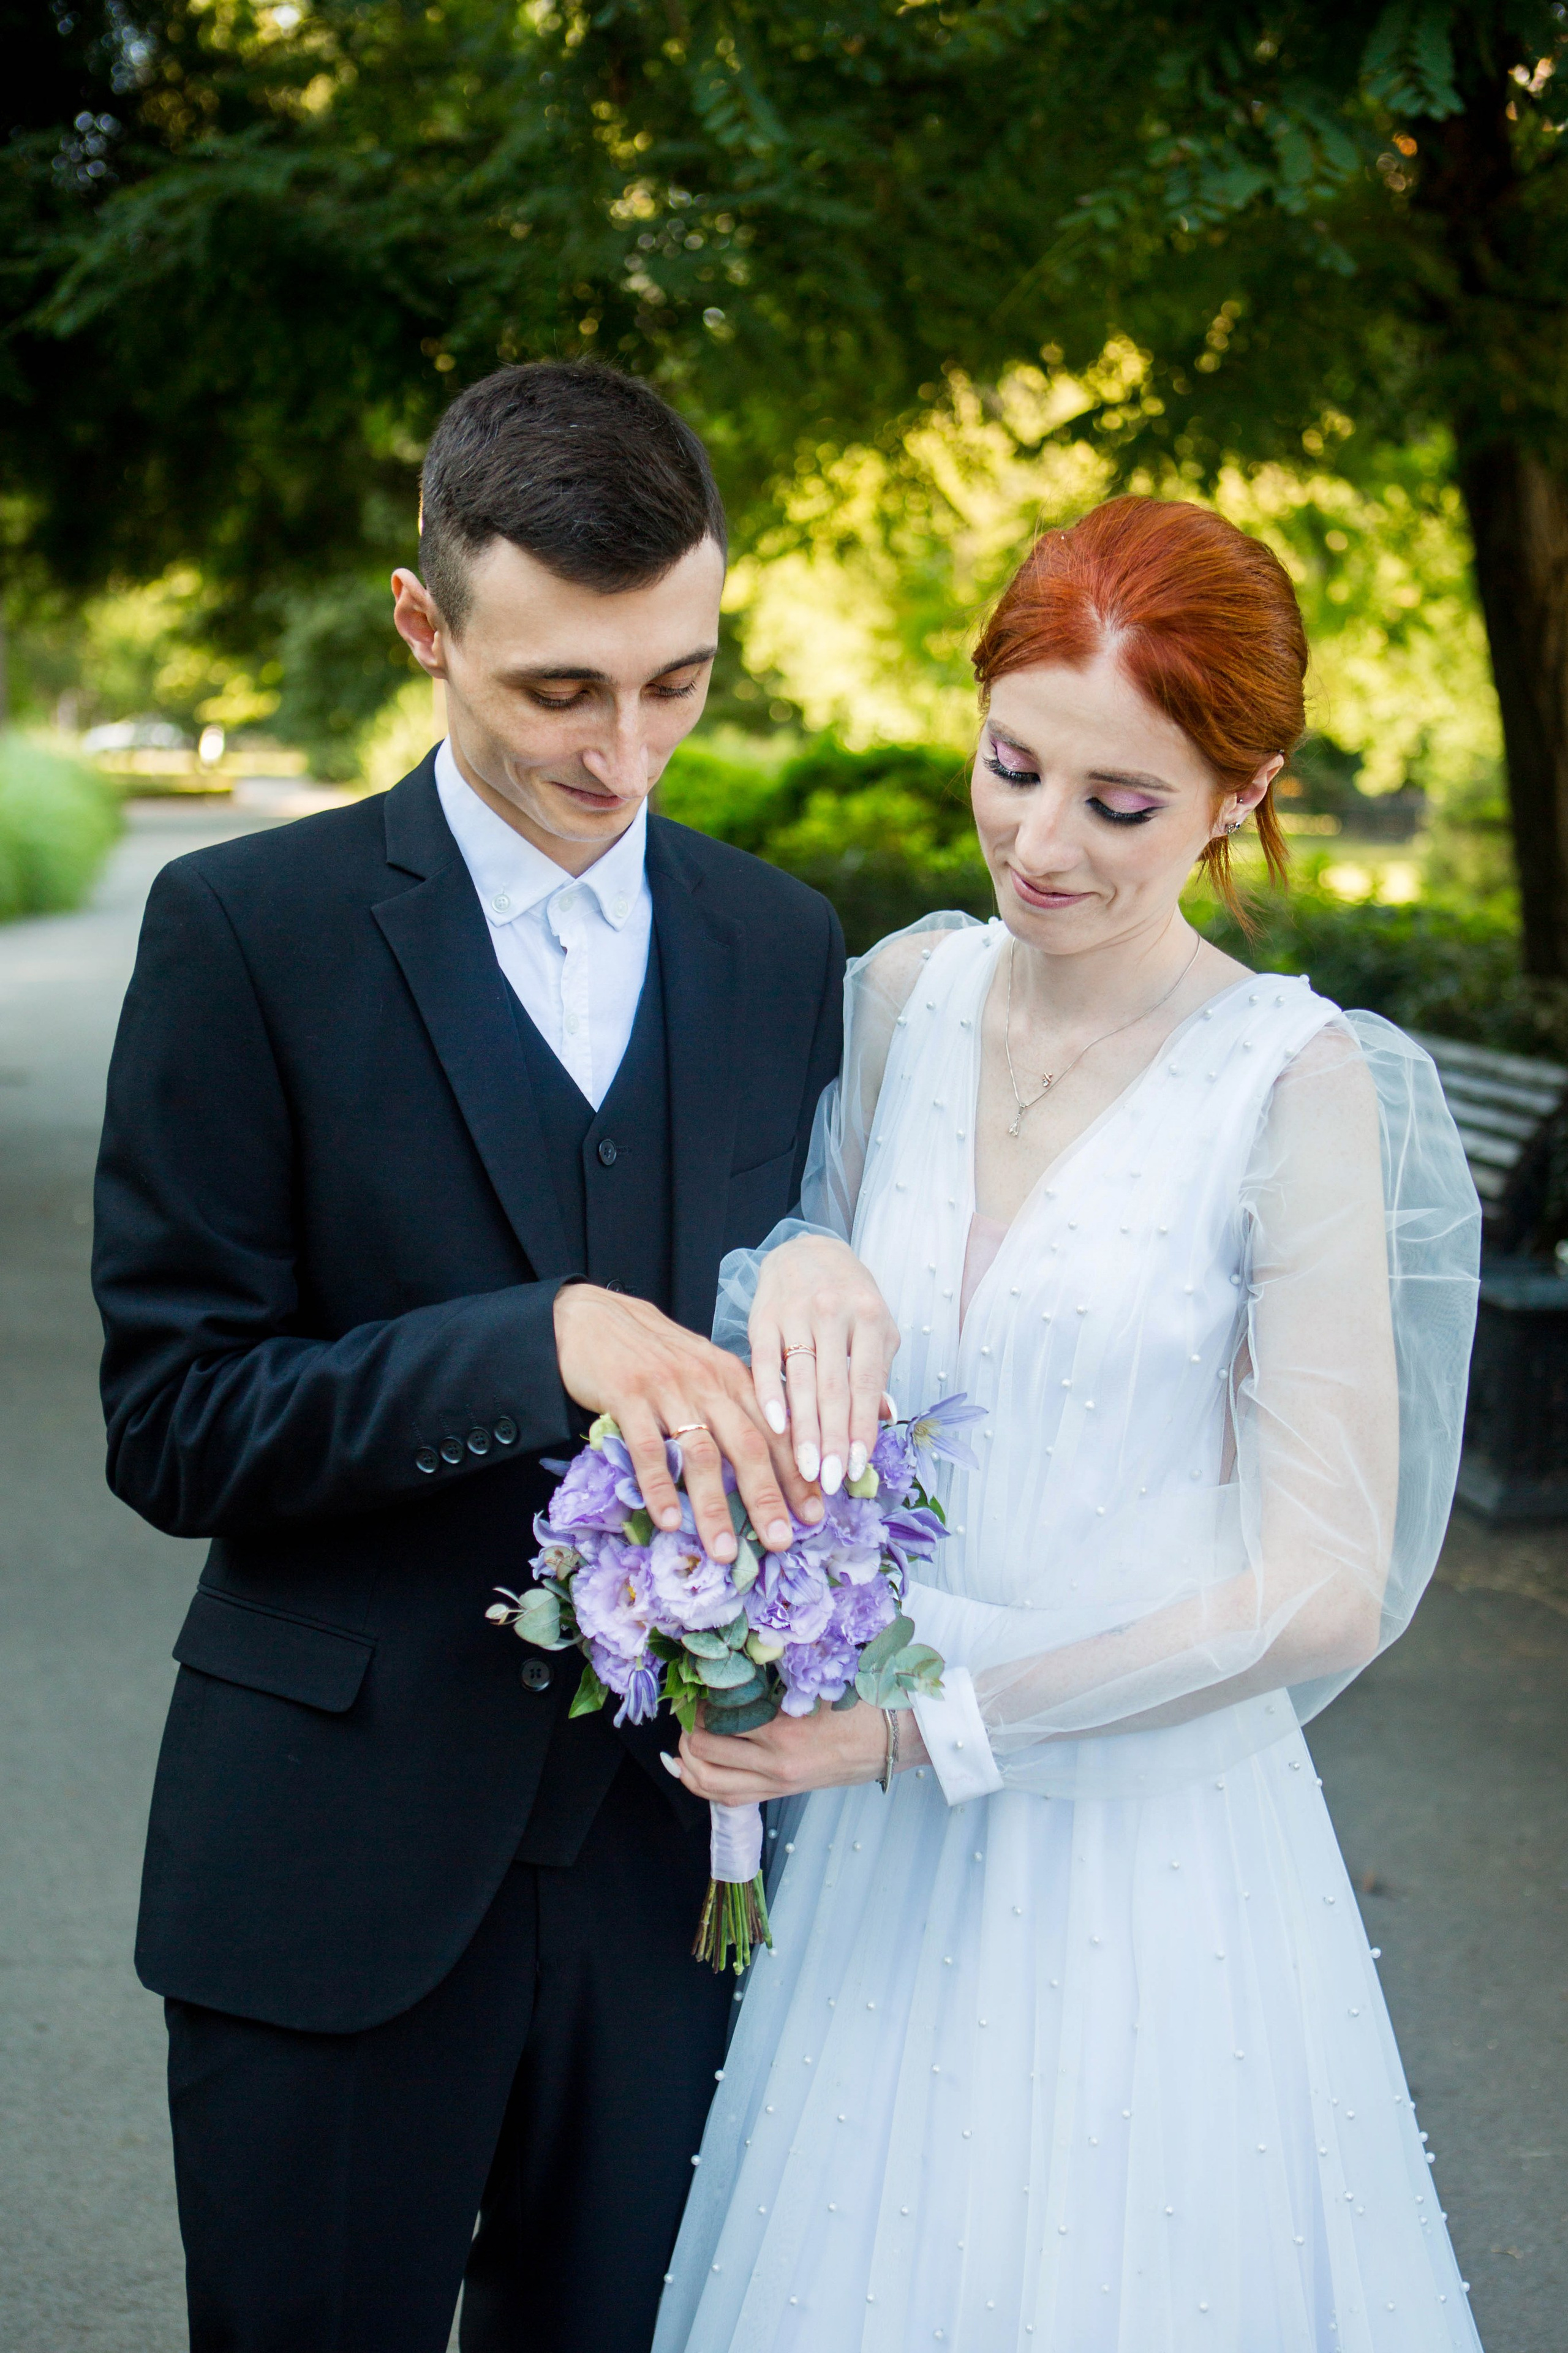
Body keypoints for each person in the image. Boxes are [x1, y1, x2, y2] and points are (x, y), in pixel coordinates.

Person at [656, 497, 1484, 2349]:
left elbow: (1323, 1589)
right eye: (1012, 766)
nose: (1039, 843)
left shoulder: (1297, 1084)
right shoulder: (903, 997)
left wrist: (921, 1729)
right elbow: (819, 1297)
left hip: (1143, 1841)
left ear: (1241, 789)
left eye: (1119, 803)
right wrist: (797, 1260)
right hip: (880, 1849)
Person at [92, 360, 859, 2353]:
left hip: (678, 1881)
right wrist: (536, 1346)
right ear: (426, 624)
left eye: (677, 681)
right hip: (333, 1868)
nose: (627, 755)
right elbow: (174, 1421)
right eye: (561, 693)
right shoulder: (244, 931)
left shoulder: (786, 947)